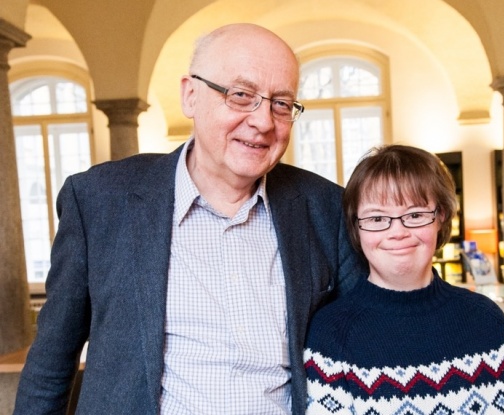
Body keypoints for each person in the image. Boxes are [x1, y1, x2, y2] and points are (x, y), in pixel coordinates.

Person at [14, 23, 365, 415]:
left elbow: (370, 337)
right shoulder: (100, 201)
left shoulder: (324, 207)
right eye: (241, 95)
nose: (264, 122)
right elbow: (50, 365)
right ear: (191, 95)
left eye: (281, 104)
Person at [304, 145, 504, 414]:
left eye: (415, 215)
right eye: (377, 218)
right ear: (356, 227)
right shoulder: (330, 335)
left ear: (441, 217)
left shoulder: (488, 321)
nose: (397, 232)